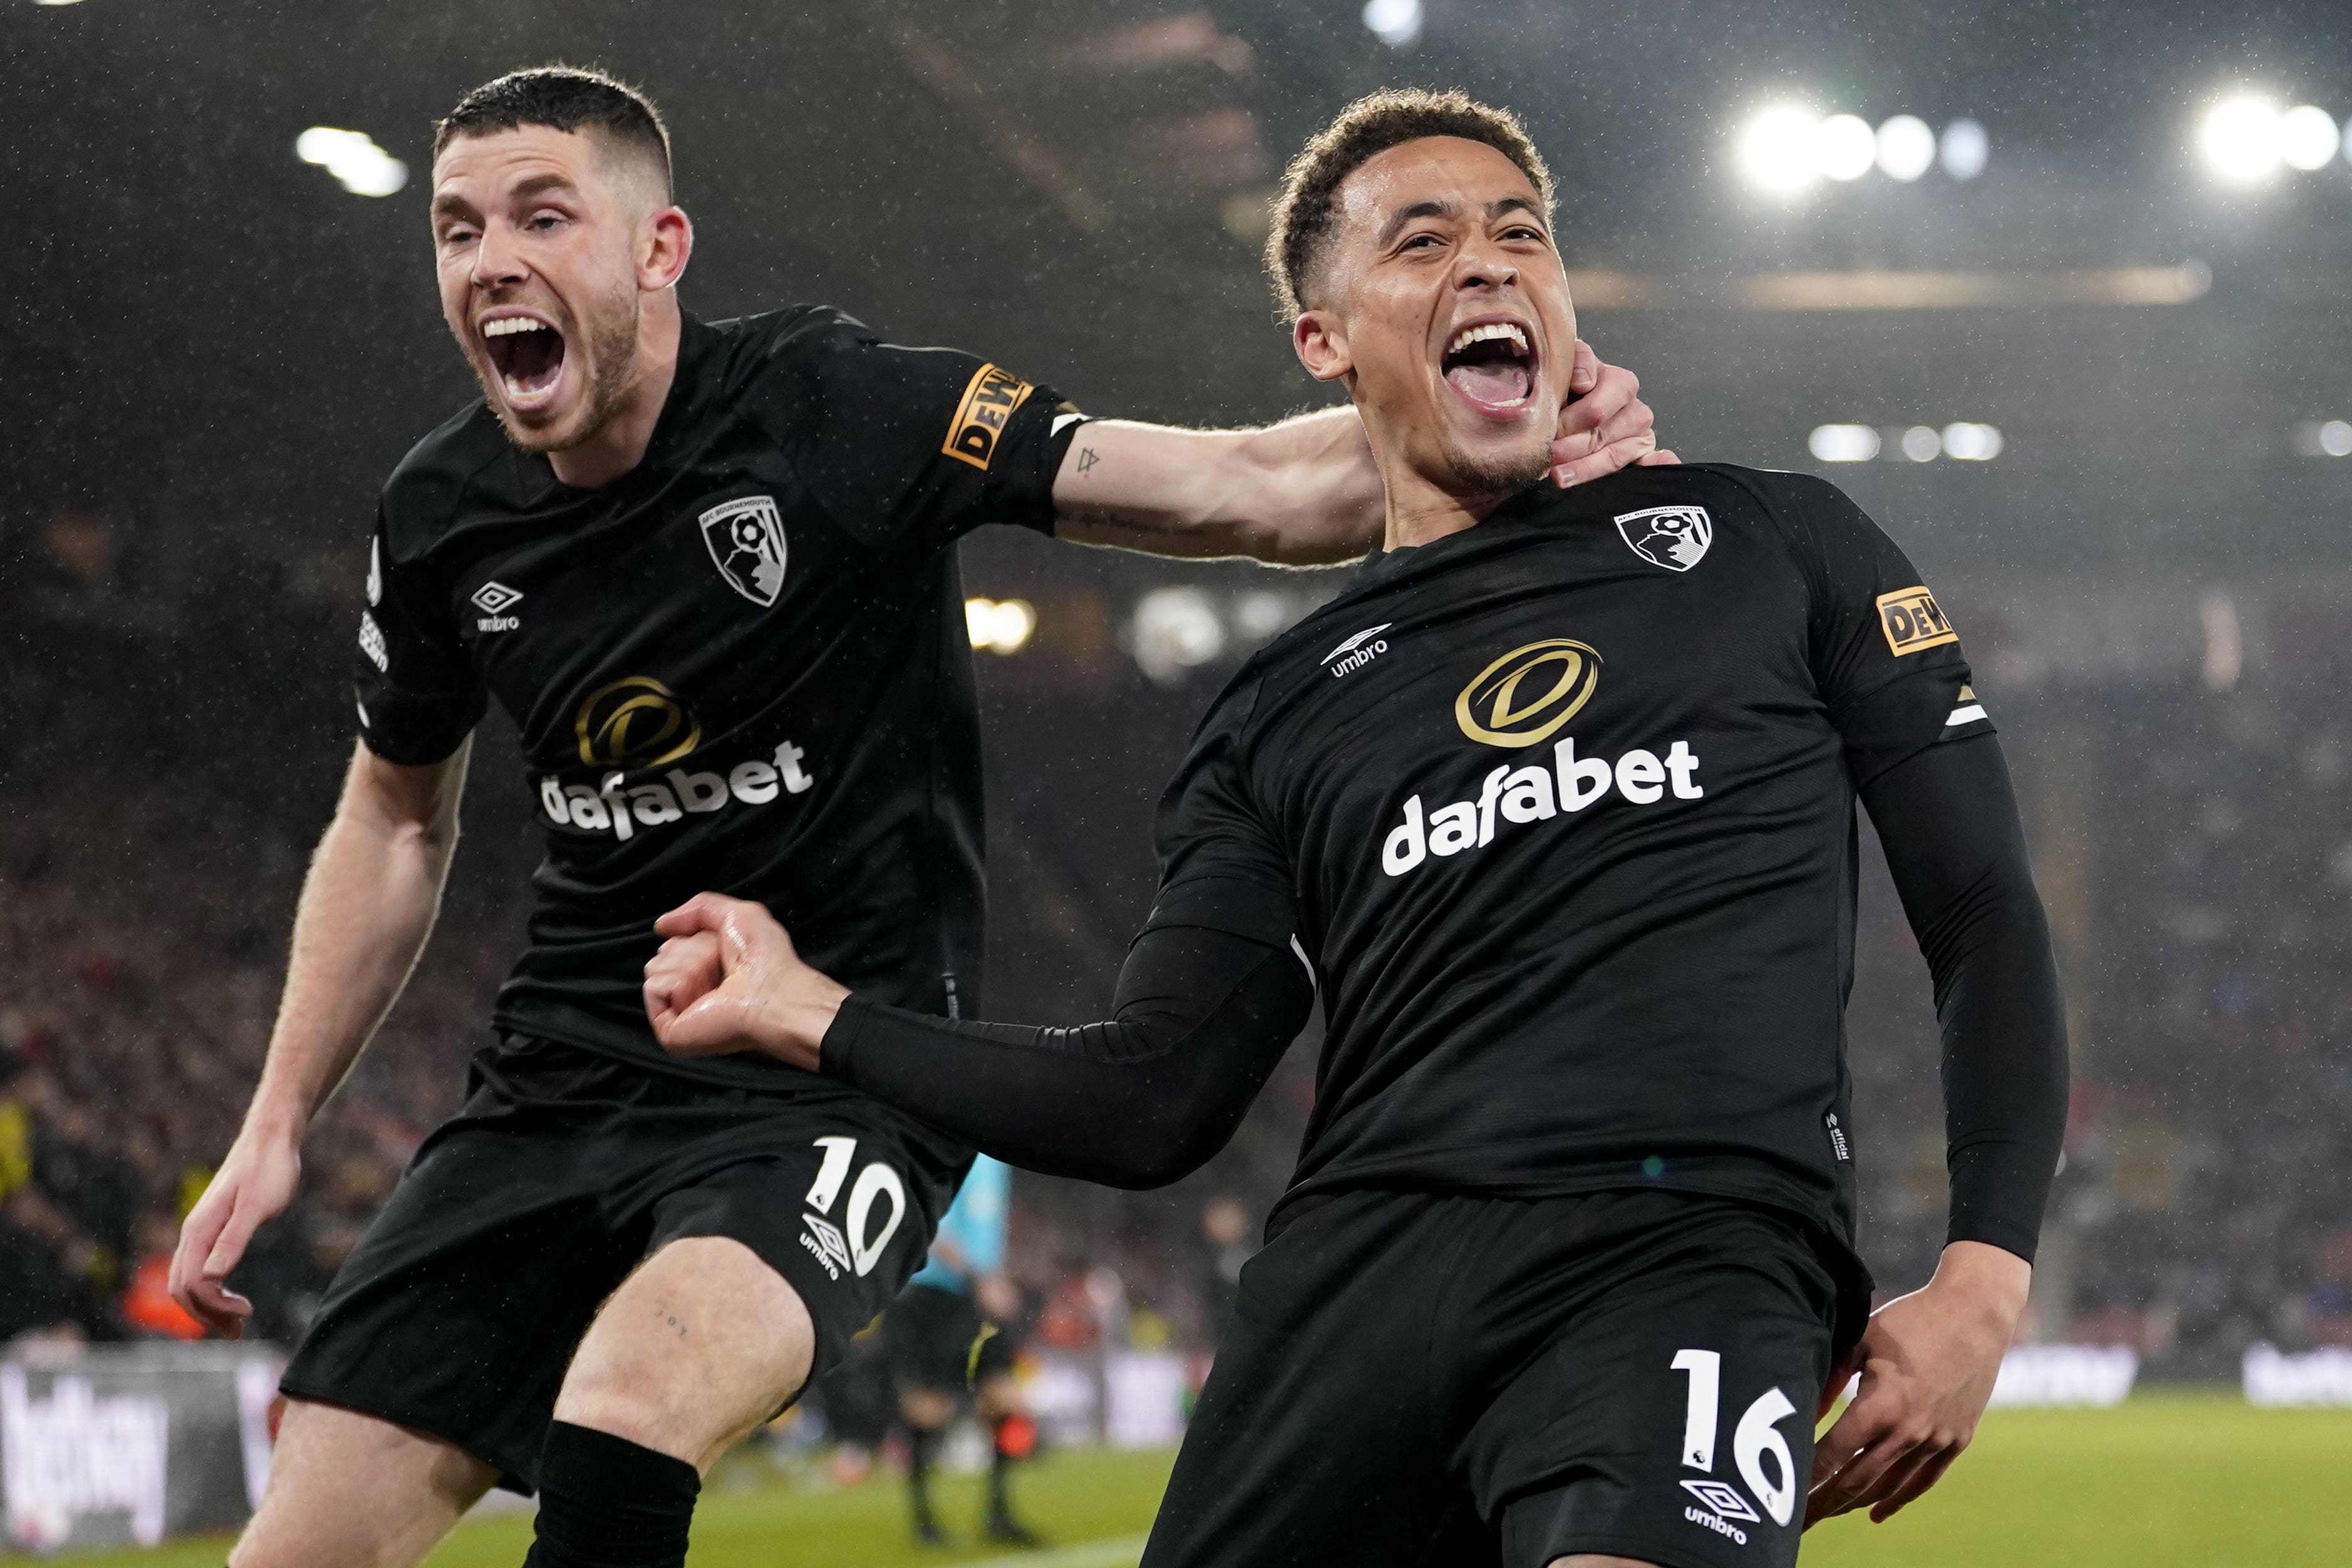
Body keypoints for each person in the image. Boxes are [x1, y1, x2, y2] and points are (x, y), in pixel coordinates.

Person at [165, 67, 1665, 1568]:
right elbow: (393, 819)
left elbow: (1243, 489)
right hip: (557, 1078)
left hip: (832, 1067)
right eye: (456, 227)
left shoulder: (836, 404)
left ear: (657, 249)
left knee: (628, 1398)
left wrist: (1511, 413)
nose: (489, 256)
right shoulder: (440, 514)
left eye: (541, 214)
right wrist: (278, 1117)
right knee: (295, 1547)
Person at [644, 88, 2071, 1568]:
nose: (1487, 262)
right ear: (1321, 343)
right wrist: (808, 1012)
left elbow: (1976, 909)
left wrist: (1982, 1271)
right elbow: (1152, 1095)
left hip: (1682, 1247)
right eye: (1421, 240)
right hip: (1350, 1286)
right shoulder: (1274, 710)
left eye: (1521, 234)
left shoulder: (1774, 543)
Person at [885, 1153, 1035, 1546]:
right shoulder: (949, 1146)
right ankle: (925, 1523)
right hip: (932, 1295)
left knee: (1003, 1397)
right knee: (929, 1407)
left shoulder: (998, 1158)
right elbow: (932, 1226)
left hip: (976, 1295)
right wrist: (981, 1278)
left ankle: (998, 1515)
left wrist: (992, 1278)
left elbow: (984, 1232)